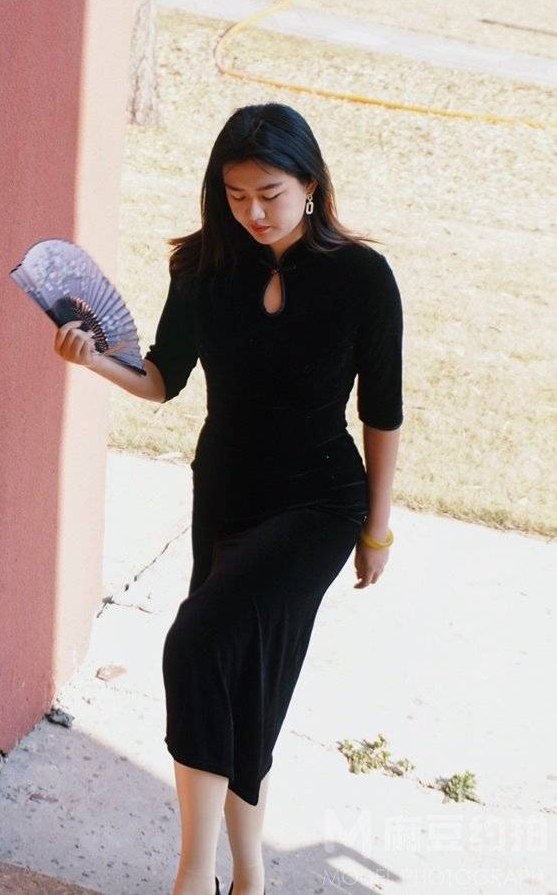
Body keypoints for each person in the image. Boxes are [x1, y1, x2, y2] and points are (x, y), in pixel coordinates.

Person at [53, 103, 404, 895]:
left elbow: (382, 412)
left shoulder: (361, 277)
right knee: (245, 681)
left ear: (310, 184)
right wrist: (93, 359)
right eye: (236, 194)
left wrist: (377, 530)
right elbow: (162, 378)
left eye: (270, 194)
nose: (253, 212)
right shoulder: (202, 269)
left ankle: (192, 876)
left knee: (196, 644)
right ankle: (247, 877)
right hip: (226, 492)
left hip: (321, 503)